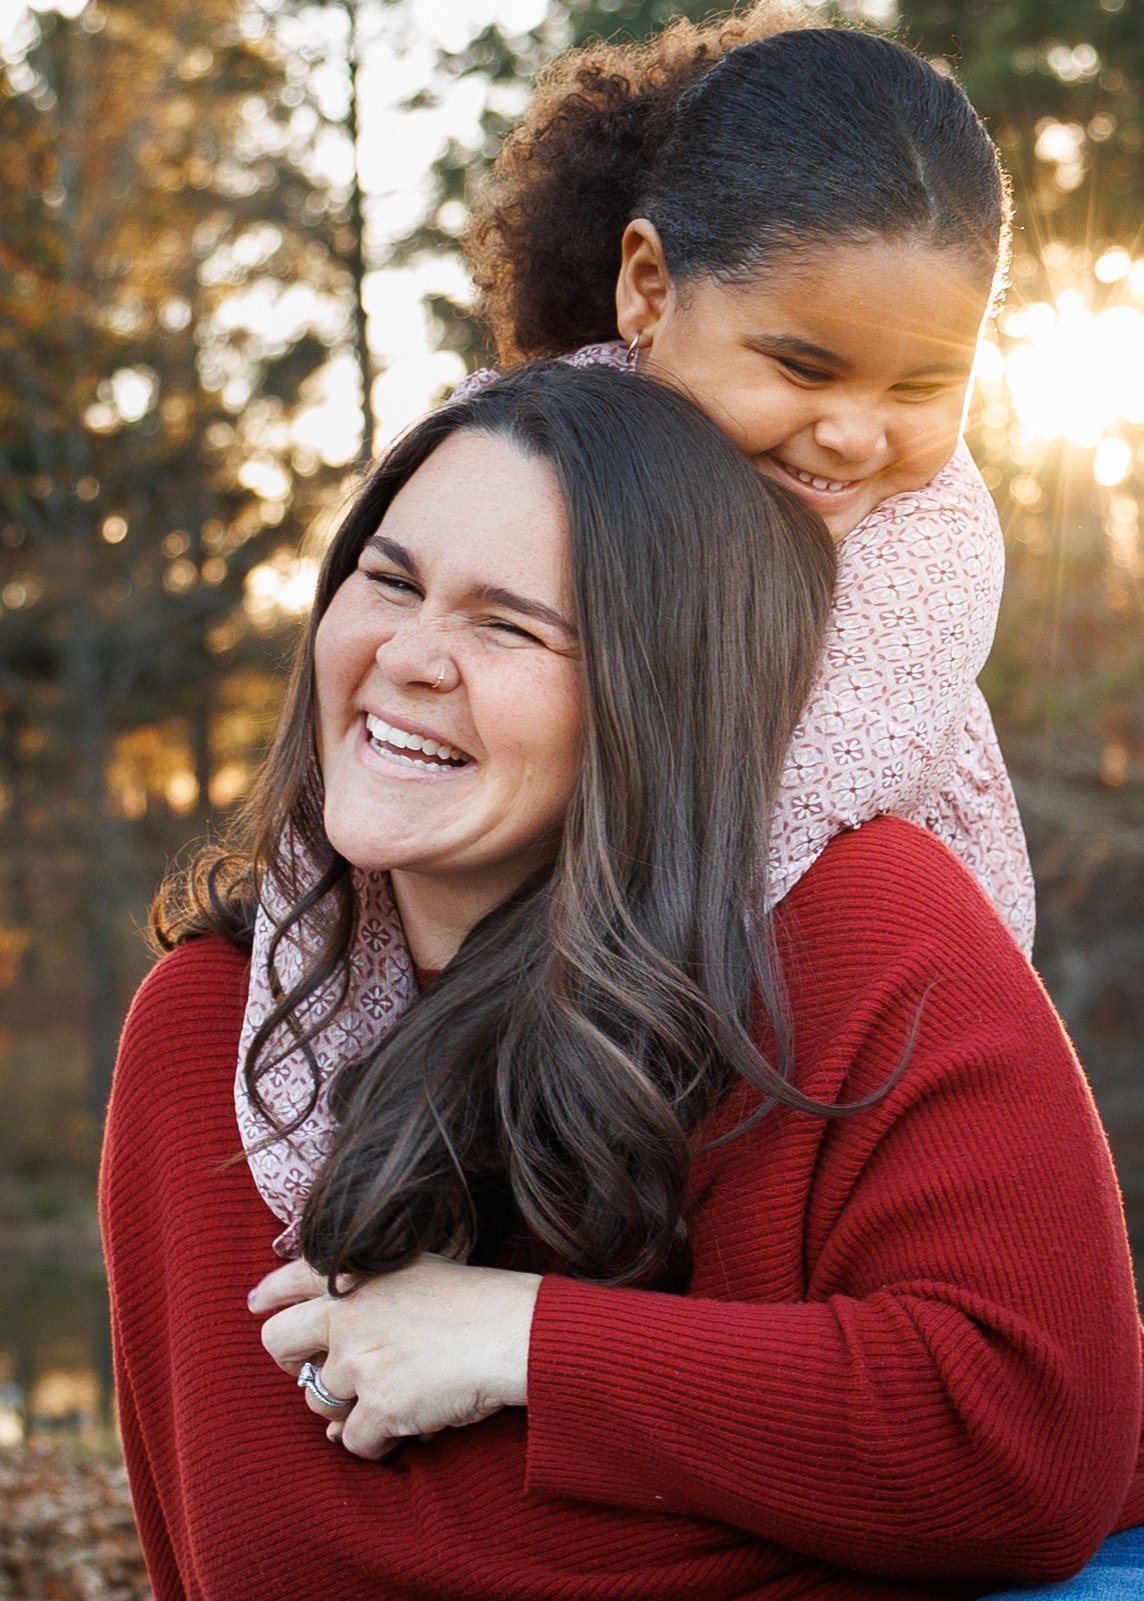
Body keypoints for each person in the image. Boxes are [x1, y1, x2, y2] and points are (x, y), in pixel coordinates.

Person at [101, 363, 1144, 1601]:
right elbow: (298, 1557)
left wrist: (523, 1340)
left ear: (653, 690)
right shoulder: (222, 1023)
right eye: (387, 579)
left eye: (510, 624)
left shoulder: (865, 926)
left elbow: (1022, 1450)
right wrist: (856, 1500)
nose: (411, 654)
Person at [238, 18, 1041, 1238]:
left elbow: (752, 822)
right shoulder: (525, 446)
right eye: (801, 366)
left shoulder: (917, 542)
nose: (854, 435)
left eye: (921, 386)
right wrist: (314, 1158)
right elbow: (358, 779)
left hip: (779, 1000)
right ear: (648, 289)